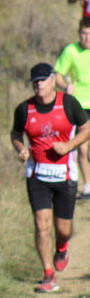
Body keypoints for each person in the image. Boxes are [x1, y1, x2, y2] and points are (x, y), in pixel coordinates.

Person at [10, 62, 90, 293]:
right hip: (37, 175)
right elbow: (15, 134)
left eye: (43, 79)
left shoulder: (68, 103)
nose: (38, 84)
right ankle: (47, 274)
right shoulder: (24, 109)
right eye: (35, 81)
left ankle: (62, 246)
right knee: (41, 224)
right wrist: (21, 149)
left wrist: (68, 146)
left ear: (53, 80)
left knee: (63, 229)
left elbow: (87, 128)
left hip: (65, 175)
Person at [55, 17, 90, 199]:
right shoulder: (71, 51)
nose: (87, 38)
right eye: (84, 34)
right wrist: (65, 86)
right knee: (82, 148)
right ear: (79, 34)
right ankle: (87, 185)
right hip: (79, 105)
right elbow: (58, 74)